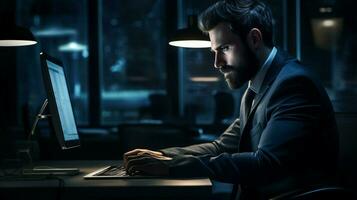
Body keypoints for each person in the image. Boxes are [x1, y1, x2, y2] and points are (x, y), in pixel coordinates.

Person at [124, 0, 339, 199]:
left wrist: (172, 167)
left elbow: (266, 163)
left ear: (254, 39)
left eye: (224, 48)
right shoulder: (258, 86)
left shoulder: (293, 84)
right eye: (214, 51)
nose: (217, 63)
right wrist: (164, 156)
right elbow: (222, 147)